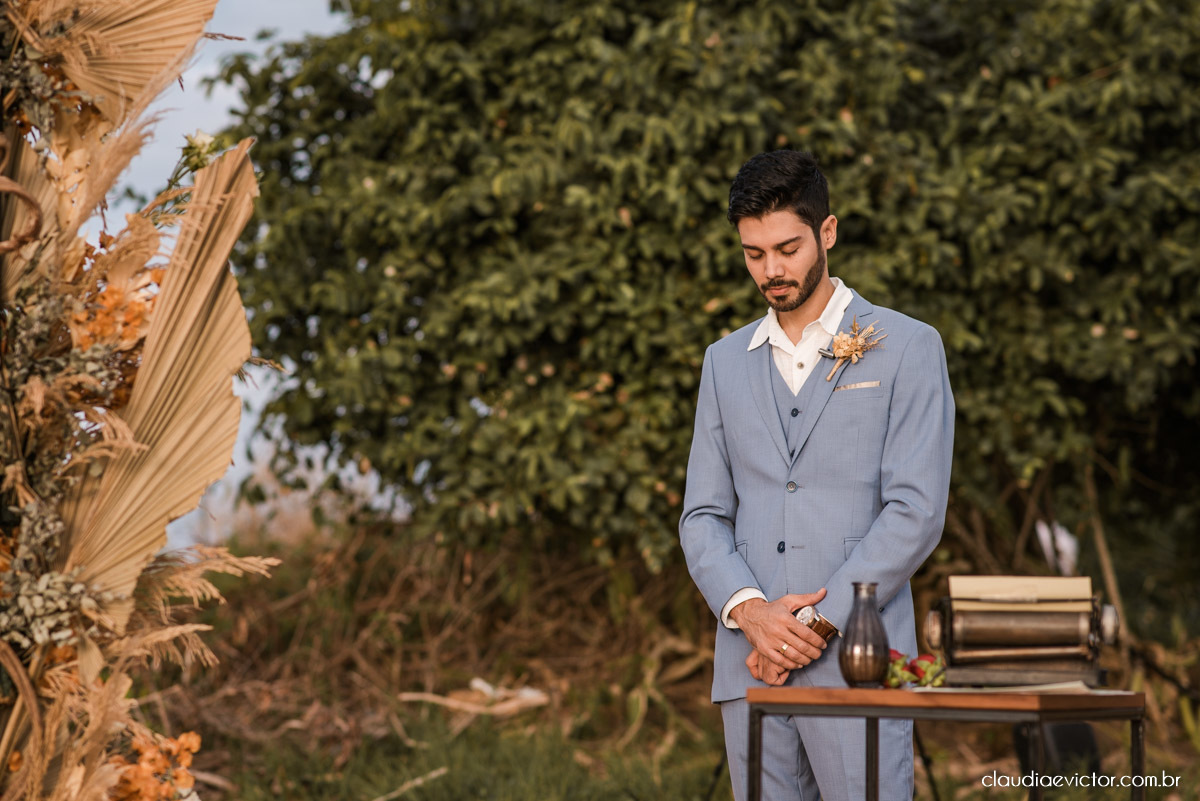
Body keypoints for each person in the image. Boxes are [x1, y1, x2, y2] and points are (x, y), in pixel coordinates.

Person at [678, 150, 954, 801]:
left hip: (856, 660)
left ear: (827, 233)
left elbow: (916, 510)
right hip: (749, 664)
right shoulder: (723, 363)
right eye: (753, 254)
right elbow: (703, 516)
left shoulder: (909, 346)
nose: (771, 270)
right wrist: (751, 613)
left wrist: (812, 625)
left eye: (787, 247)